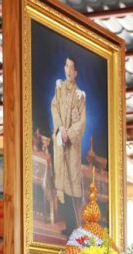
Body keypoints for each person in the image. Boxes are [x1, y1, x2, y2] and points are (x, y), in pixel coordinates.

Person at [51, 56, 86, 236]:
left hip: (71, 145)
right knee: (61, 182)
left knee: (72, 181)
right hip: (60, 139)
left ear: (76, 72)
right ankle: (67, 224)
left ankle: (75, 225)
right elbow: (54, 107)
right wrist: (60, 129)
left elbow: (81, 121)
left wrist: (69, 134)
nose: (69, 70)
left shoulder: (80, 96)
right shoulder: (59, 88)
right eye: (67, 66)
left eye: (72, 68)